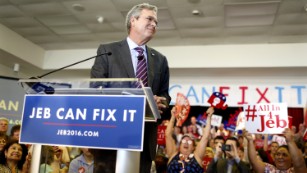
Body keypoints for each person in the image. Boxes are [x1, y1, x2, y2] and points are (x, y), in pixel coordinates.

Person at [90, 3, 171, 173]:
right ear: (133, 21)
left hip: (144, 140)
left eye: (156, 22)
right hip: (110, 137)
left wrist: (160, 101)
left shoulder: (160, 59)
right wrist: (134, 101)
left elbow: (165, 94)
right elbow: (96, 88)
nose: (154, 24)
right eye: (149, 19)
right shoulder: (108, 51)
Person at [166, 107, 214, 172]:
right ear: (179, 145)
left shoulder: (197, 157)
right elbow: (168, 135)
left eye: (189, 142)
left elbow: (205, 137)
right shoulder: (173, 154)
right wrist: (173, 117)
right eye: (184, 140)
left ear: (193, 147)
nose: (186, 143)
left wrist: (209, 117)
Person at [243, 128, 307, 173]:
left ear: (292, 160)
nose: (280, 157)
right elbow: (254, 162)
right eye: (278, 154)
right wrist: (250, 141)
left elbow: (299, 164)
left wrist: (290, 141)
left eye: (284, 155)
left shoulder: (295, 171)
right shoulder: (270, 170)